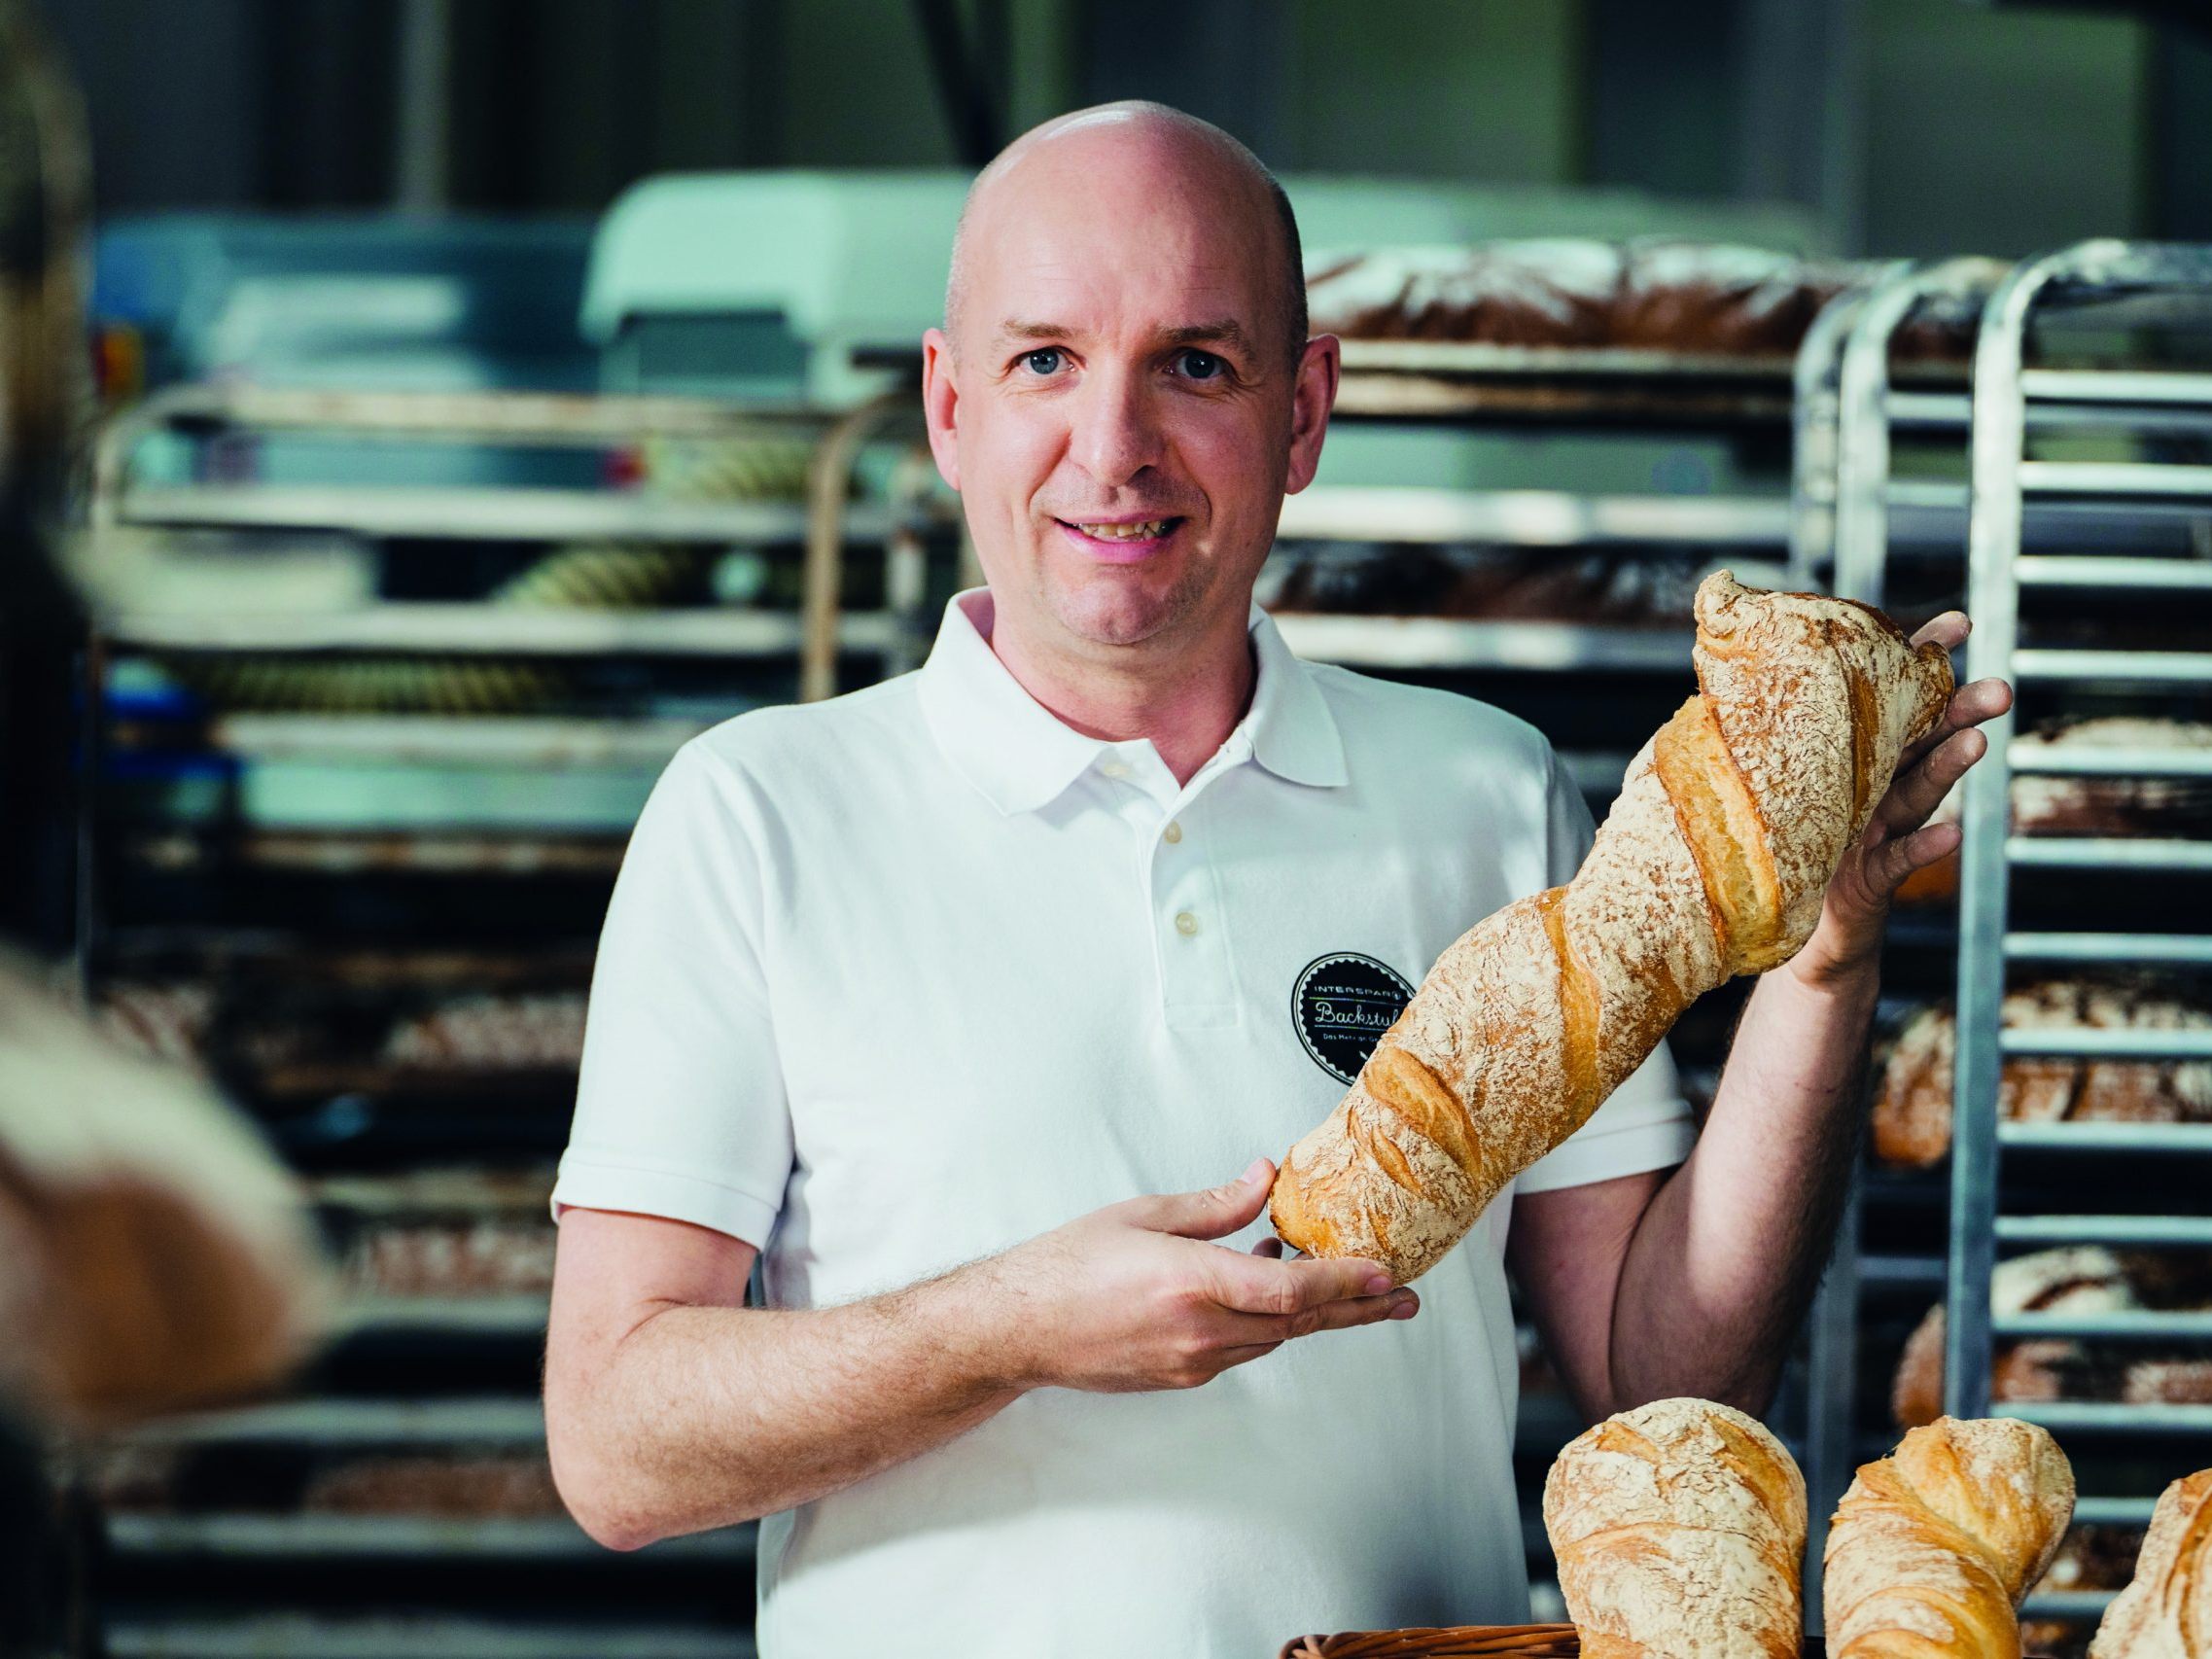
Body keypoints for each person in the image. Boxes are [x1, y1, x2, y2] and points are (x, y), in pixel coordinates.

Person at [544, 101, 2010, 1655]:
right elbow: (616, 1442)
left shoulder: (1484, 791)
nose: (1111, 449)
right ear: (948, 404)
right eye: (1045, 359)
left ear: (1304, 409)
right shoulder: (760, 815)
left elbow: (1668, 1385)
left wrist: (1826, 963)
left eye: (1194, 362)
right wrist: (1014, 1326)